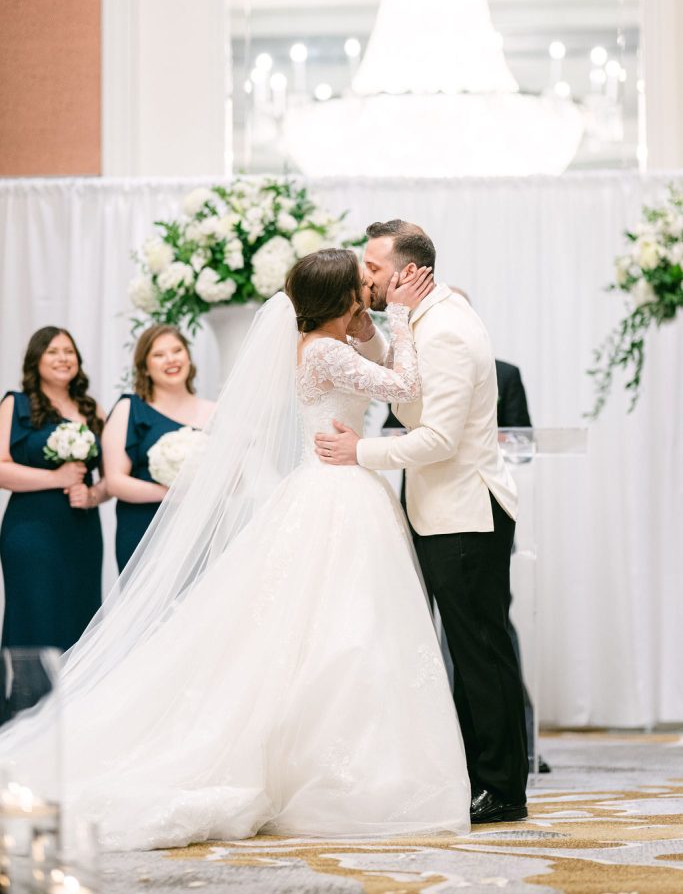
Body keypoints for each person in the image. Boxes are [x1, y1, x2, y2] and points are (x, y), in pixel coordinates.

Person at [0, 249, 470, 851]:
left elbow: (380, 372)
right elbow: (405, 384)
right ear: (341, 299)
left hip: (336, 486)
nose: (369, 293)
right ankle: (334, 769)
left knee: (343, 626)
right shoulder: (325, 351)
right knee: (344, 625)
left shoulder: (328, 346)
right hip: (336, 492)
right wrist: (405, 318)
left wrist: (379, 327)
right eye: (361, 287)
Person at [316, 222, 529, 824]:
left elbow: (435, 438)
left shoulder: (450, 332)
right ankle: (480, 777)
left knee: (480, 653)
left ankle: (502, 788)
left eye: (375, 270)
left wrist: (360, 453)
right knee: (467, 649)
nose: (367, 279)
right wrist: (379, 334)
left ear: (408, 272)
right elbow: (410, 395)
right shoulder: (424, 323)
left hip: (465, 512)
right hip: (443, 510)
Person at [0, 327, 108, 651]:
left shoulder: (93, 410)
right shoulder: (14, 404)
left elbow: (110, 479)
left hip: (82, 531)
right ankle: (29, 699)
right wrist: (56, 479)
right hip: (31, 530)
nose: (63, 358)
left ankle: (78, 700)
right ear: (36, 360)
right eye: (53, 351)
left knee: (80, 610)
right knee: (36, 614)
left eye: (69, 351)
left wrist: (92, 496)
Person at [103, 325, 215, 572]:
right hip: (143, 531)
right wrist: (173, 494)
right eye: (159, 354)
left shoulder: (214, 412)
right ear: (144, 366)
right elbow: (115, 482)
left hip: (198, 530)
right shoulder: (128, 410)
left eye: (177, 350)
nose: (171, 359)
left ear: (188, 357)